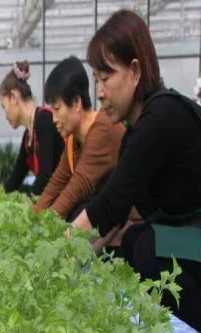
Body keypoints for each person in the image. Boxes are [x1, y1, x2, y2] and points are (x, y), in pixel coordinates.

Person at [71, 10, 201, 333]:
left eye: (106, 76)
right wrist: (82, 258)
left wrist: (55, 254)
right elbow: (119, 213)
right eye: (96, 79)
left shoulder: (163, 115)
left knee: (146, 247)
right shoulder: (136, 131)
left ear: (134, 70)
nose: (99, 91)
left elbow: (111, 205)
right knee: (128, 241)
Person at [33, 56, 125, 222]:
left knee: (77, 210)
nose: (53, 119)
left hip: (124, 227)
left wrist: (45, 227)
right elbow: (56, 183)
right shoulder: (74, 139)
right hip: (103, 223)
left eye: (57, 109)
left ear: (76, 102)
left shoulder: (103, 128)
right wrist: (33, 217)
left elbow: (77, 187)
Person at [0, 61, 65, 196]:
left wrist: (30, 206)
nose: (5, 115)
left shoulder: (44, 119)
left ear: (14, 97)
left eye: (3, 106)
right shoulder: (28, 136)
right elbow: (16, 178)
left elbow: (45, 175)